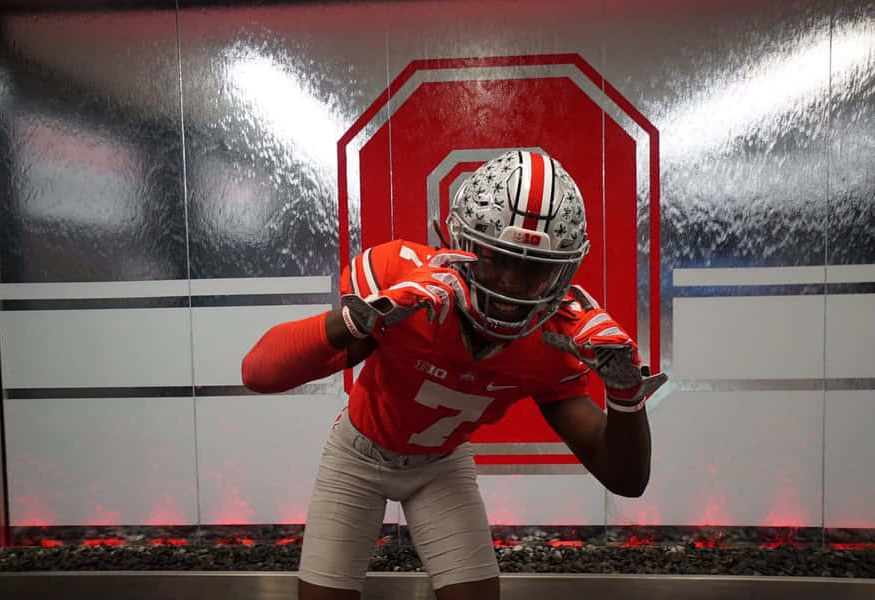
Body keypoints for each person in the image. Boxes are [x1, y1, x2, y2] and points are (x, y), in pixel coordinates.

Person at [242, 150, 667, 600]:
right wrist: (362, 318)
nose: (511, 282)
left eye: (533, 268)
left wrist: (624, 391)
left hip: (441, 465)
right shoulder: (407, 282)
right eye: (496, 257)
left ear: (561, 271)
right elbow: (258, 372)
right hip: (357, 457)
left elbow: (626, 480)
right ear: (462, 243)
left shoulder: (553, 340)